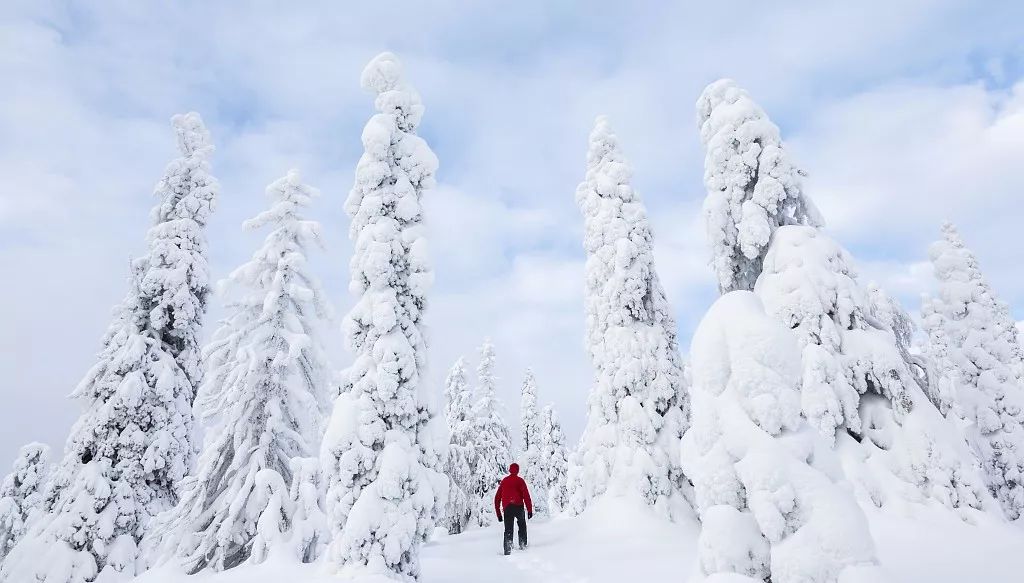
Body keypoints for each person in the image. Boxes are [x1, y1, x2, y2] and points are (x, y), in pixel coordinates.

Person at [494, 462, 533, 555]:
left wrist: (498, 514)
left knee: (508, 529)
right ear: (518, 470)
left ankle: (508, 550)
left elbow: (497, 498)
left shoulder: (504, 481)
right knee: (522, 526)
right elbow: (526, 496)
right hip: (519, 507)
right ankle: (523, 546)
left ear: (509, 470)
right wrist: (529, 510)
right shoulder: (520, 481)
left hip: (507, 508)